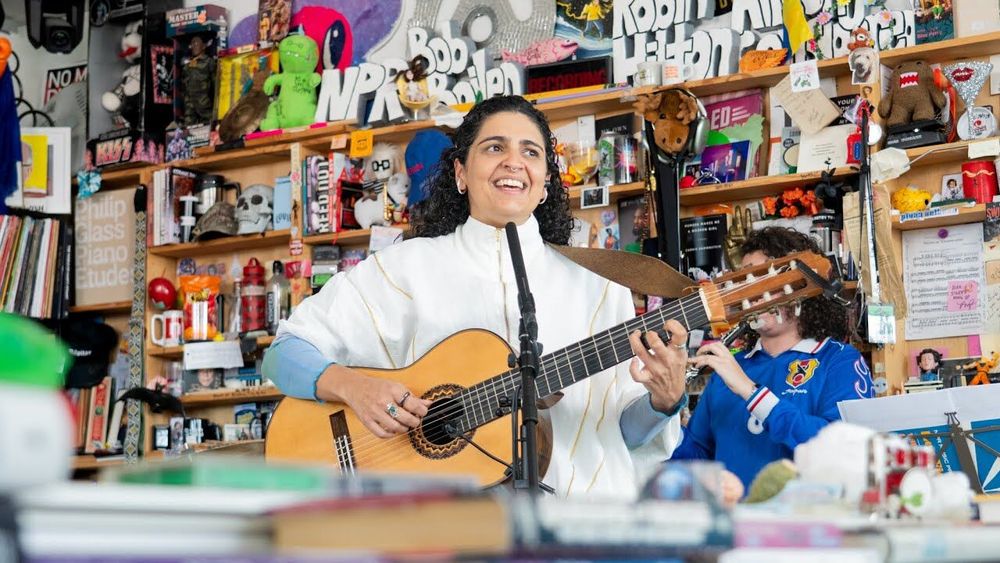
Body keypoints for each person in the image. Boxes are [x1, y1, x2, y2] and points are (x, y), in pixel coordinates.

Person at [263, 95, 688, 499]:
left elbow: (617, 433)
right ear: (461, 174)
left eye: (531, 152)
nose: (514, 162)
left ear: (543, 185)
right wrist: (355, 388)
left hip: (581, 530)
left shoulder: (598, 283)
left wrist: (663, 401)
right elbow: (282, 354)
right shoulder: (404, 269)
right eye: (494, 147)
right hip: (447, 536)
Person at [673, 227, 874, 491]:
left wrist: (750, 392)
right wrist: (663, 410)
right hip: (732, 526)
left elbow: (844, 449)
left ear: (803, 284)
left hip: (805, 526)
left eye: (765, 278)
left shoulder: (840, 362)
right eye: (745, 281)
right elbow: (694, 454)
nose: (753, 292)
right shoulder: (729, 368)